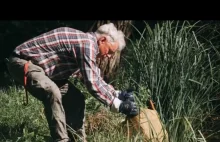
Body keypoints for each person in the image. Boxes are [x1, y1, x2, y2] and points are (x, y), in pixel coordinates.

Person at [5, 22, 139, 142]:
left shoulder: (86, 43)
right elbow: (92, 84)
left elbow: (95, 77)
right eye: (109, 51)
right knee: (52, 91)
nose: (108, 56)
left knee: (76, 99)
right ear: (102, 40)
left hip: (44, 71)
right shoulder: (87, 44)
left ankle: (77, 139)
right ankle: (61, 139)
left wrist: (117, 94)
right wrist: (118, 105)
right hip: (21, 62)